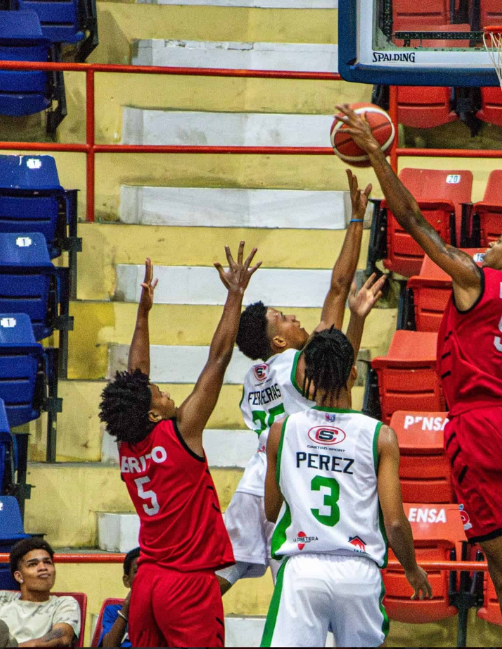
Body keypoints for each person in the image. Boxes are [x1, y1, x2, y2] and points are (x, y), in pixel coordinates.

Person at [336, 103, 502, 647]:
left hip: (479, 425)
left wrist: (379, 154)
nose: (493, 240)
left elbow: (413, 221)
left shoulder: (476, 279)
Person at [218, 171, 382, 593]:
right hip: (286, 482)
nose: (294, 317)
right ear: (277, 340)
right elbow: (339, 288)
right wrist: (356, 222)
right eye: (284, 318)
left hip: (253, 483)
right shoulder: (297, 363)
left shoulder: (252, 380)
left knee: (211, 581)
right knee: (290, 590)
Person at [98, 243, 260, 647]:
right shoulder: (181, 433)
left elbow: (135, 377)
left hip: (147, 582)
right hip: (187, 584)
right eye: (160, 394)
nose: (167, 393)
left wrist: (142, 315)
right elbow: (218, 359)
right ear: (153, 414)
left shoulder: (127, 441)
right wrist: (235, 294)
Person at [262, 327, 432, 647]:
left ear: (307, 376)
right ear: (353, 373)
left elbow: (270, 512)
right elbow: (395, 523)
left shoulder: (281, 430)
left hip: (303, 569)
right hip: (358, 572)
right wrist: (412, 569)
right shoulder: (380, 435)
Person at [0, 538, 80, 647]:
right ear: (19, 576)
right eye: (33, 564)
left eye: (47, 562)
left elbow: (62, 637)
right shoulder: (0, 599)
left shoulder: (65, 604)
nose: (43, 568)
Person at [97, 547, 140, 647]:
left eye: (148, 571)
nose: (143, 576)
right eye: (137, 571)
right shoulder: (113, 611)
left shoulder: (161, 611)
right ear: (126, 580)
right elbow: (108, 646)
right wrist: (125, 610)